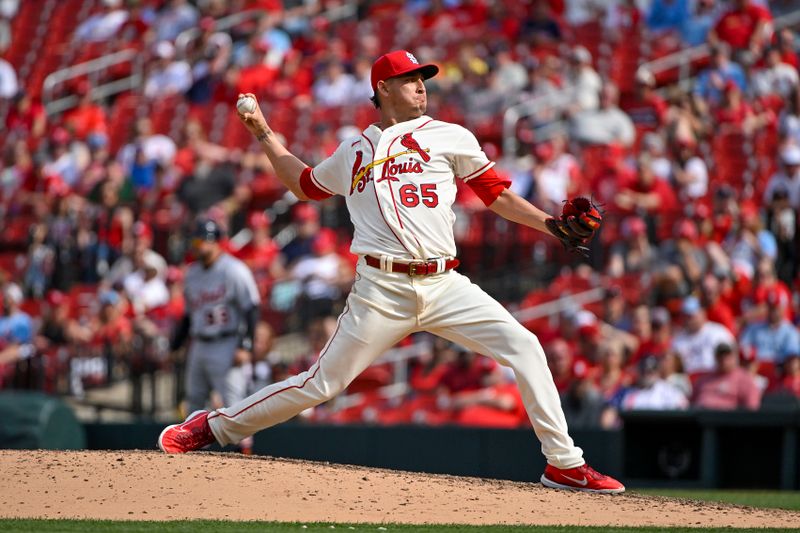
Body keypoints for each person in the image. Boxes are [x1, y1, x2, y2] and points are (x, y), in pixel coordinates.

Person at [158, 49, 625, 493]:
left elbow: (496, 194)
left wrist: (549, 225)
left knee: (525, 346)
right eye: (411, 79)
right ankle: (210, 427)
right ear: (383, 87)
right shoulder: (354, 150)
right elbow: (303, 185)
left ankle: (565, 465)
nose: (421, 87)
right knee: (321, 383)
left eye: (423, 79)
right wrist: (261, 131)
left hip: (444, 283)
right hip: (381, 288)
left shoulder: (451, 136)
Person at [168, 219, 261, 453]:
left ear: (215, 242)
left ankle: (245, 454)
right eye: (195, 241)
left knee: (235, 404)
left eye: (202, 240)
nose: (197, 246)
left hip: (227, 343)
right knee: (193, 401)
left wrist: (245, 345)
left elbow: (251, 308)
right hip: (199, 343)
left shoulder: (234, 269)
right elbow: (188, 316)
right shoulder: (192, 274)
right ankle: (191, 453)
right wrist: (175, 346)